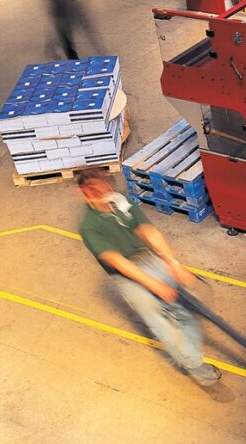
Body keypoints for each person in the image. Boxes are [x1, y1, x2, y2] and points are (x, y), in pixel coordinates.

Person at [76, 168, 231, 398]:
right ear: (85, 192)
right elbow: (117, 261)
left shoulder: (120, 201)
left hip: (150, 260)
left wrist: (173, 263)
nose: (106, 193)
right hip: (129, 277)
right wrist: (154, 284)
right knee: (163, 324)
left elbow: (148, 231)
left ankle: (188, 356)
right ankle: (198, 370)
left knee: (184, 313)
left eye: (107, 186)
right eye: (98, 190)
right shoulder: (89, 226)